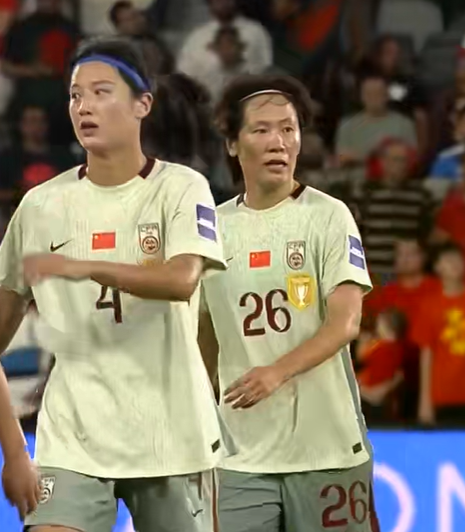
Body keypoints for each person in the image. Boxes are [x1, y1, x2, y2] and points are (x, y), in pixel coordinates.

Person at [0, 37, 227, 532]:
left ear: (143, 104)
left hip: (174, 437)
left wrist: (84, 266)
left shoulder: (181, 188)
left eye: (101, 92)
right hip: (72, 438)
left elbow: (182, 279)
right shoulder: (40, 206)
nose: (84, 106)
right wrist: (15, 451)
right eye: (75, 95)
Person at [198, 74, 378, 532]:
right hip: (240, 454)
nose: (277, 142)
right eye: (261, 130)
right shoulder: (211, 228)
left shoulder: (329, 215)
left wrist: (276, 372)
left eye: (288, 129)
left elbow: (345, 323)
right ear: (233, 144)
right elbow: (205, 333)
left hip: (327, 449)